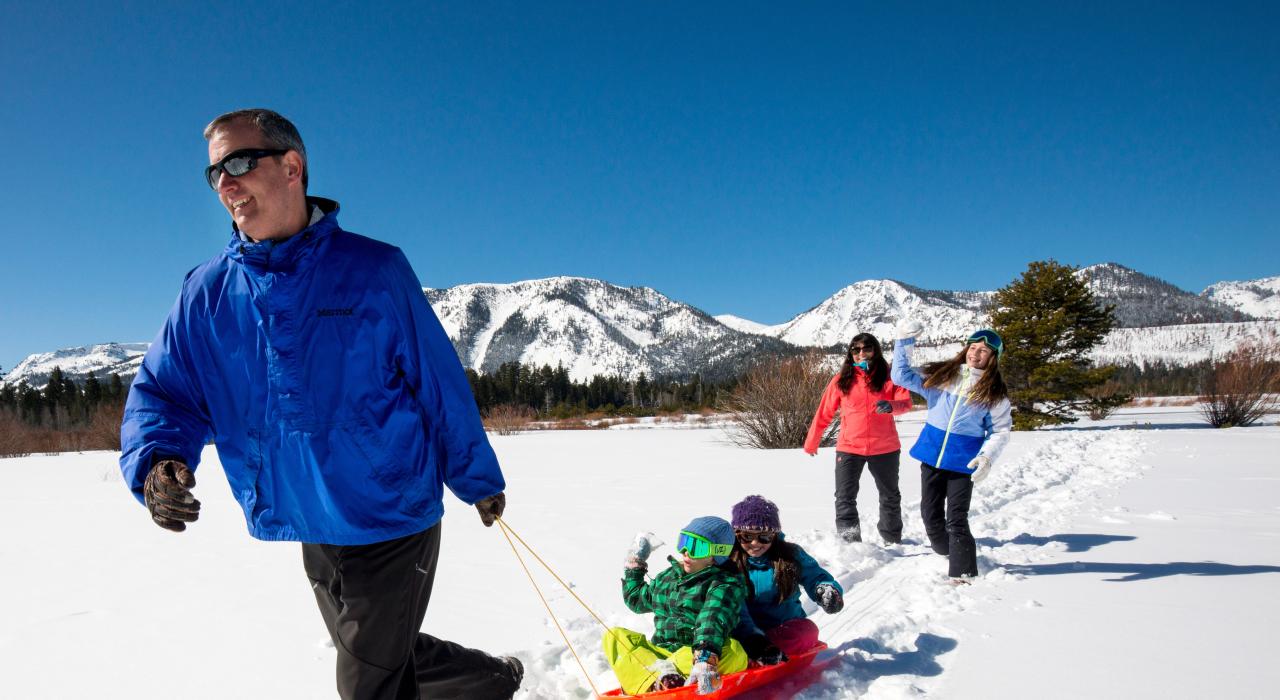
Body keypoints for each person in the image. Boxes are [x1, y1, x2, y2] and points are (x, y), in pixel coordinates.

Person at [119, 109, 522, 700]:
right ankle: (493, 678)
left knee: (368, 681)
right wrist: (155, 460)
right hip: (308, 515)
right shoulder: (205, 293)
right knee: (380, 652)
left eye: (238, 163)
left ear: (292, 167)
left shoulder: (375, 270)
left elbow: (438, 383)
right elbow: (163, 392)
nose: (225, 184)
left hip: (391, 515)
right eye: (214, 174)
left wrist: (475, 477)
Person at [890, 322, 1012, 581]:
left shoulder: (994, 393)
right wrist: (903, 342)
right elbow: (900, 375)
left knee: (956, 519)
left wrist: (986, 457)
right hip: (932, 458)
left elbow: (1000, 431)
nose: (976, 354)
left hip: (962, 465)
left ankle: (964, 573)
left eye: (983, 351)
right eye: (973, 347)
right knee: (930, 515)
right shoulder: (944, 376)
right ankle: (948, 551)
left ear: (993, 359)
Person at [602, 516, 750, 695]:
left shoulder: (723, 584)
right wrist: (635, 565)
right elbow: (637, 600)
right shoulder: (668, 577)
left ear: (716, 555)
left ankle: (650, 678)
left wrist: (704, 656)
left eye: (697, 547)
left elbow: (712, 617)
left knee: (734, 651)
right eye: (684, 542)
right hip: (659, 654)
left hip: (693, 654)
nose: (686, 552)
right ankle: (662, 677)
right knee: (615, 636)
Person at [804, 333, 913, 544]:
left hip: (885, 447)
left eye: (866, 348)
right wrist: (812, 441)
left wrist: (891, 406)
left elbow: (905, 402)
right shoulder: (842, 379)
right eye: (856, 350)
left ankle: (892, 540)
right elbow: (824, 412)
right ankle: (850, 543)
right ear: (851, 354)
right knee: (845, 498)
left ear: (876, 350)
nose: (861, 353)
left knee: (890, 496)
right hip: (849, 448)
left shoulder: (891, 376)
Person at [728, 495, 843, 662]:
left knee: (807, 631)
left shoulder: (790, 555)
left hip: (783, 628)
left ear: (774, 534)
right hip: (745, 632)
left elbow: (816, 576)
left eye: (764, 536)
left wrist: (825, 590)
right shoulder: (729, 559)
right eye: (747, 536)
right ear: (736, 535)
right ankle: (750, 651)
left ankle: (761, 654)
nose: (755, 543)